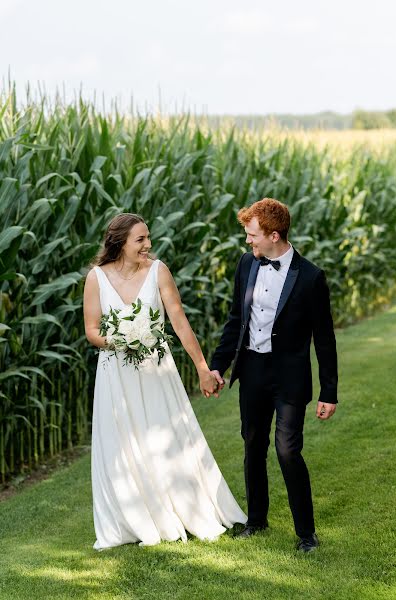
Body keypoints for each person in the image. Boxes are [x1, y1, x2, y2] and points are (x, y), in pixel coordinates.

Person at [83, 213, 246, 550]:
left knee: (166, 437)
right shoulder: (96, 278)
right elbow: (92, 330)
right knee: (123, 443)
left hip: (157, 370)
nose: (148, 245)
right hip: (116, 374)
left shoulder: (158, 272)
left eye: (148, 238)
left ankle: (184, 508)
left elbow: (180, 323)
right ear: (120, 242)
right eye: (140, 240)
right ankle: (134, 519)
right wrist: (123, 339)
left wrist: (202, 368)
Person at [210, 198, 338, 553]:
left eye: (253, 235)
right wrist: (218, 365)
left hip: (289, 378)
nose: (248, 241)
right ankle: (256, 520)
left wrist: (329, 391)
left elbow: (324, 340)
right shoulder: (246, 264)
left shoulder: (311, 278)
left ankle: (306, 535)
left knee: (287, 450)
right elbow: (236, 321)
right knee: (253, 445)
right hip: (252, 370)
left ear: (274, 235)